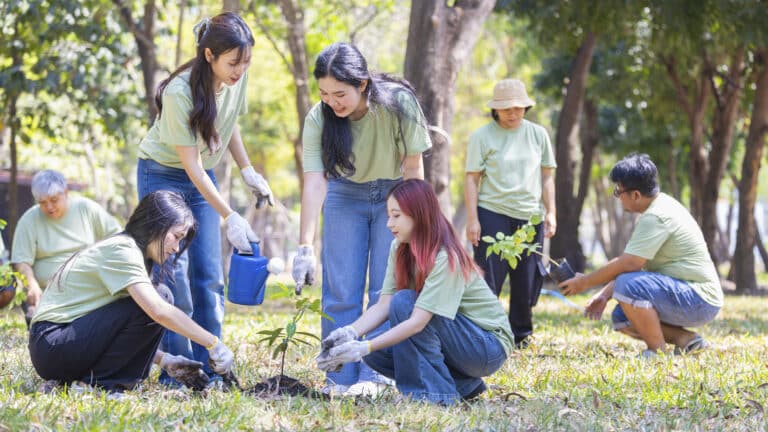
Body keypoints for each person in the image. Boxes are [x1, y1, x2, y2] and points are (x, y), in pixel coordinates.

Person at [136, 12, 272, 383]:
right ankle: (179, 372)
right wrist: (229, 215)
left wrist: (247, 171)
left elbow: (229, 124)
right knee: (172, 275)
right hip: (162, 174)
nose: (240, 70)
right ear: (209, 55)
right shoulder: (180, 92)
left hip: (202, 175)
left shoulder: (234, 78)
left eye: (246, 62)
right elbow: (190, 167)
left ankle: (216, 364)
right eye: (233, 63)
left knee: (209, 275)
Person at [292, 42, 432, 396]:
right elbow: (314, 181)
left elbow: (414, 167)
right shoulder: (318, 118)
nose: (332, 102)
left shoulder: (399, 104)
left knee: (385, 289)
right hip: (344, 195)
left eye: (340, 94)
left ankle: (376, 377)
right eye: (324, 93)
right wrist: (305, 245)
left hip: (395, 194)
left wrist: (417, 222)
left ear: (363, 84)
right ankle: (338, 376)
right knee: (340, 291)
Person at [316, 179, 513, 404]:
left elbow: (417, 322)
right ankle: (461, 387)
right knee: (378, 348)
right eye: (389, 215)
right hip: (458, 339)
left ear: (418, 214)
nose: (389, 224)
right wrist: (349, 333)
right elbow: (383, 304)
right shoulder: (399, 248)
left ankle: (432, 396)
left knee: (404, 305)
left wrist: (362, 348)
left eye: (396, 216)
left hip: (487, 346)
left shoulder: (446, 257)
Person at [28, 191, 234, 394]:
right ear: (156, 224)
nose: (176, 248)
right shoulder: (123, 250)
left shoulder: (130, 252)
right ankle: (101, 385)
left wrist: (164, 360)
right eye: (176, 237)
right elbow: (158, 311)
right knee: (161, 297)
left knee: (159, 296)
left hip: (57, 346)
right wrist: (213, 343)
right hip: (51, 343)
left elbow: (114, 330)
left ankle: (93, 383)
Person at [559, 153, 723, 357]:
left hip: (699, 299)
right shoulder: (660, 206)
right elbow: (634, 264)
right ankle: (686, 340)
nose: (618, 197)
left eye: (619, 191)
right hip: (691, 295)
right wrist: (603, 295)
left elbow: (629, 264)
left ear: (635, 195)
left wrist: (584, 283)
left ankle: (657, 353)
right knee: (622, 316)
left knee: (627, 286)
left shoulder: (656, 216)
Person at [464, 78, 556, 348]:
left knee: (526, 279)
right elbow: (472, 179)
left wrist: (551, 212)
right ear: (495, 109)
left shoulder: (538, 134)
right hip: (492, 212)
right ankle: (488, 333)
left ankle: (522, 335)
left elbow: (548, 175)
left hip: (530, 216)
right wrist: (473, 220)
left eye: (518, 108)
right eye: (506, 109)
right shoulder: (481, 136)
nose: (513, 113)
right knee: (489, 278)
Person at [12, 170, 121, 325]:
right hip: (49, 294)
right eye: (42, 202)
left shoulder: (86, 208)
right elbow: (21, 262)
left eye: (54, 200)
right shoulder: (29, 220)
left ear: (66, 192)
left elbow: (120, 238)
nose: (49, 207)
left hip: (90, 290)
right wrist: (31, 284)